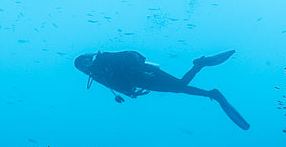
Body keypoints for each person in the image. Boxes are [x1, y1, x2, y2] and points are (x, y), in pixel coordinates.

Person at [73, 49, 249, 130]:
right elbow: (113, 84)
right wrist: (128, 93)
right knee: (178, 87)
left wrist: (142, 73)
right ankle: (210, 90)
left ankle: (203, 72)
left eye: (84, 64)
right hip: (142, 81)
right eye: (81, 68)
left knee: (179, 86)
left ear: (87, 59)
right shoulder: (95, 74)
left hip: (146, 74)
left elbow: (124, 61)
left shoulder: (102, 59)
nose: (85, 67)